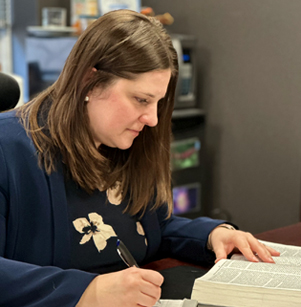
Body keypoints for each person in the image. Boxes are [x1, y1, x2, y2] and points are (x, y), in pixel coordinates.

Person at [0, 9, 279, 307]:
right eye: (141, 100)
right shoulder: (9, 150)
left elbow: (153, 228)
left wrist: (211, 235)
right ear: (90, 82)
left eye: (158, 102)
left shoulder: (121, 145)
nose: (152, 119)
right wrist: (86, 291)